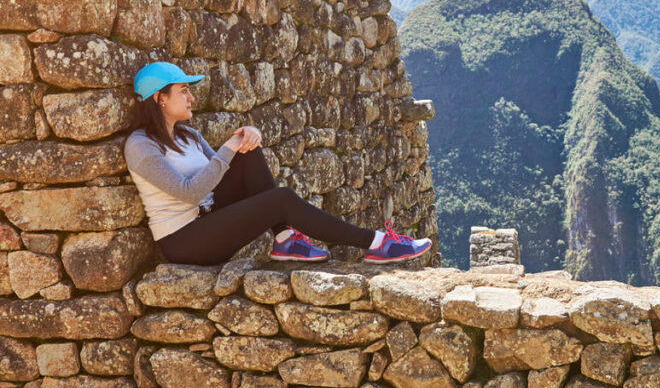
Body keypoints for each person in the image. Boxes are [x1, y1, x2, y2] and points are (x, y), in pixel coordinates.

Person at [122, 61, 431, 265]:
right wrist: (229, 145)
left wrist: (246, 137)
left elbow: (220, 167)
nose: (191, 97)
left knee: (248, 153)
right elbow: (189, 192)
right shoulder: (140, 146)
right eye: (184, 91)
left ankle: (285, 240)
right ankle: (377, 244)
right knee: (279, 198)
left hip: (210, 218)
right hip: (185, 241)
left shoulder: (186, 134)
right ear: (159, 99)